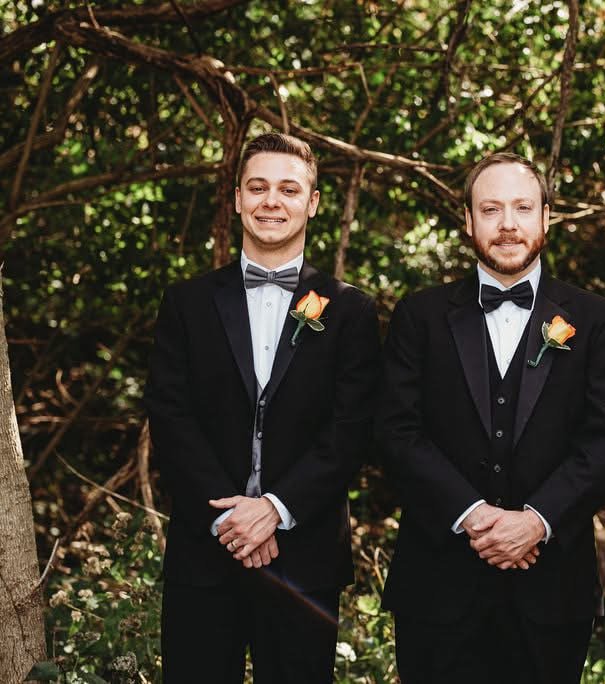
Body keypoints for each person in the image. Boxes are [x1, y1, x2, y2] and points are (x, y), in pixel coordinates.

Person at [376, 152, 605, 683]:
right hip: (437, 587)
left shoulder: (596, 320)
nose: (508, 224)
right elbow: (396, 433)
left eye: (522, 208)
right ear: (468, 221)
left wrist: (535, 521)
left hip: (553, 590)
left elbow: (604, 442)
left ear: (545, 218)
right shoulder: (419, 317)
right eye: (491, 209)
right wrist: (474, 516)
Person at [144, 132, 380, 683]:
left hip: (306, 559)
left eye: (288, 189)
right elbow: (170, 415)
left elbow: (352, 429)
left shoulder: (350, 311)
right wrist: (233, 519)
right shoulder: (188, 301)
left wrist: (274, 508)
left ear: (312, 202)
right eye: (258, 187)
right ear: (236, 199)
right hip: (205, 552)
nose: (272, 201)